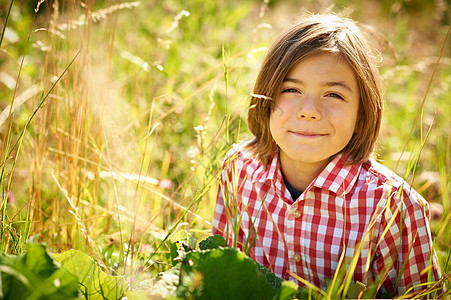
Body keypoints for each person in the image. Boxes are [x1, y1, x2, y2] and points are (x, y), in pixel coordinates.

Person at [211, 13, 441, 297]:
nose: (309, 111)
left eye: (333, 95)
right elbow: (220, 275)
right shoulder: (239, 169)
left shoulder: (393, 206)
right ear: (266, 98)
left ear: (362, 113)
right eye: (291, 89)